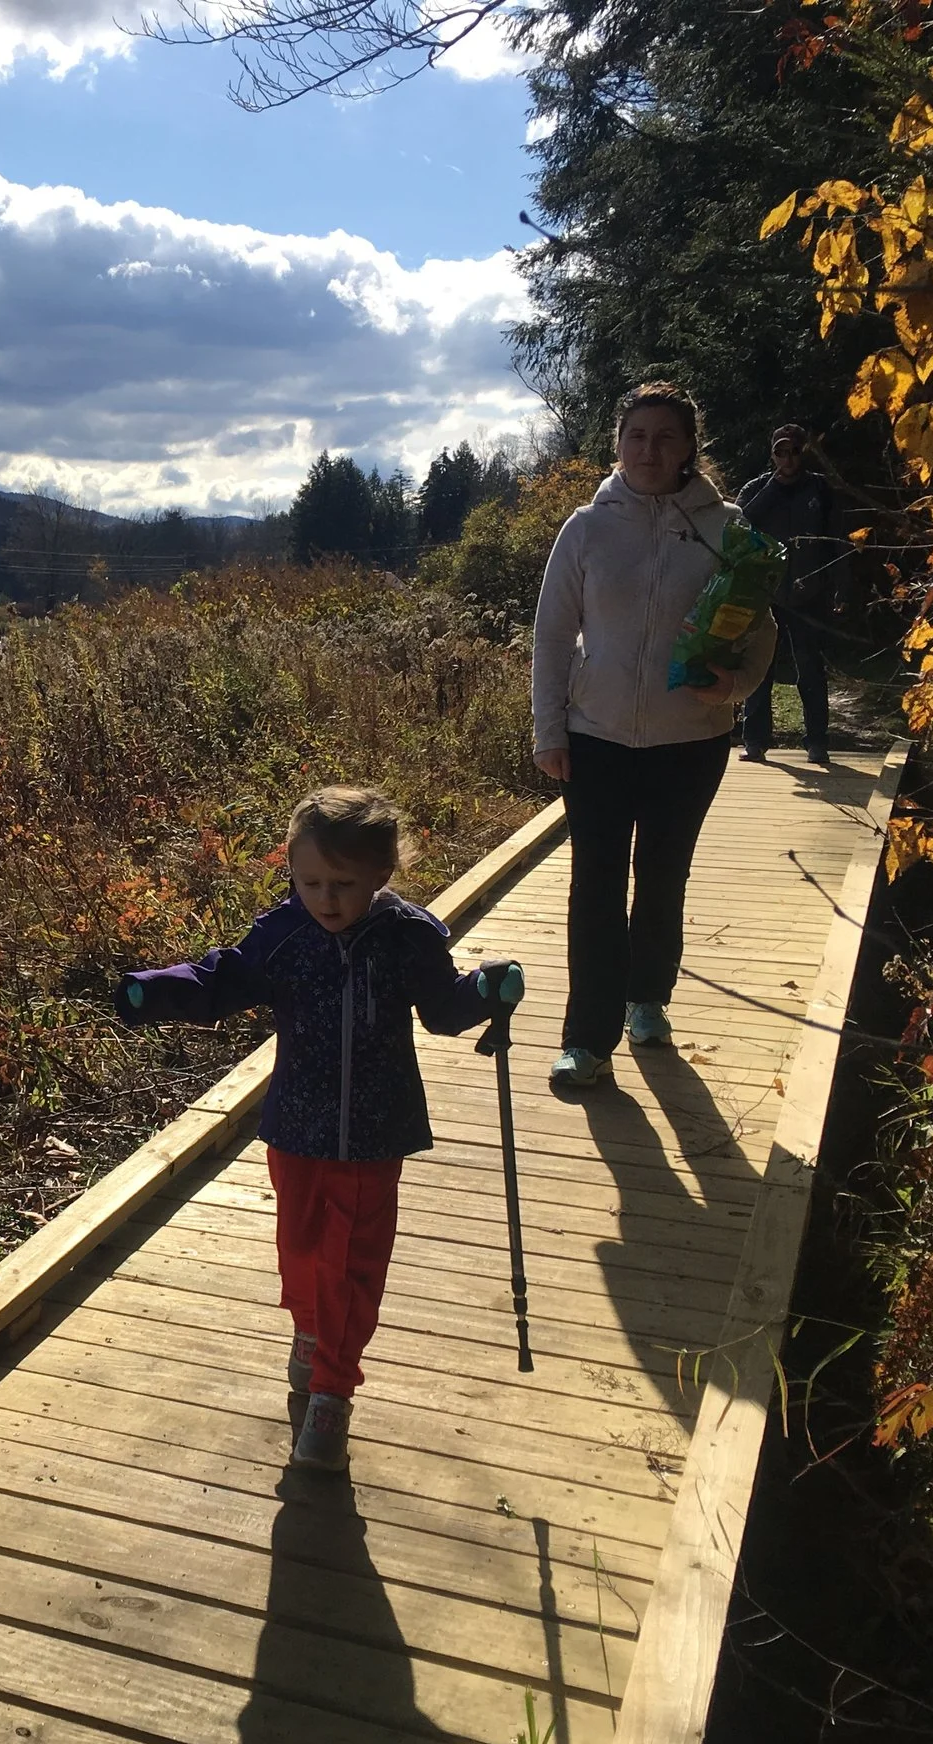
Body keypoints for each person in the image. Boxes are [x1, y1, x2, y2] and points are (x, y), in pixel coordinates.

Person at [115, 786, 524, 1472]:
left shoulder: (407, 938)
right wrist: (152, 990)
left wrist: (484, 989)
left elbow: (444, 1010)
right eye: (310, 882)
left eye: (343, 883)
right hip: (295, 1125)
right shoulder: (285, 935)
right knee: (302, 1249)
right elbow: (223, 981)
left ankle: (334, 1390)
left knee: (350, 1263)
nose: (326, 898)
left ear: (381, 875)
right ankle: (311, 1331)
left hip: (374, 1131)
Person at [530, 382, 775, 1089]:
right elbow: (551, 637)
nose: (648, 450)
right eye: (636, 436)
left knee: (663, 878)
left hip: (690, 742)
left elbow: (761, 630)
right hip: (597, 737)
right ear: (617, 443)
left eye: (665, 437)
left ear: (688, 448)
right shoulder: (586, 527)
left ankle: (648, 999)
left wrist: (731, 689)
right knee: (595, 886)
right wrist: (551, 729)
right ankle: (587, 1038)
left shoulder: (725, 529)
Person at [735, 424, 846, 764]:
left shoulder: (821, 490)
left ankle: (817, 742)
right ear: (772, 454)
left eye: (794, 451)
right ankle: (754, 740)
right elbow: (739, 526)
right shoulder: (756, 488)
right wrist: (773, 487)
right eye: (781, 452)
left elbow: (837, 540)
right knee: (759, 667)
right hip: (763, 594)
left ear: (804, 453)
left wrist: (841, 586)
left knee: (810, 670)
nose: (788, 458)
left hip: (808, 593)